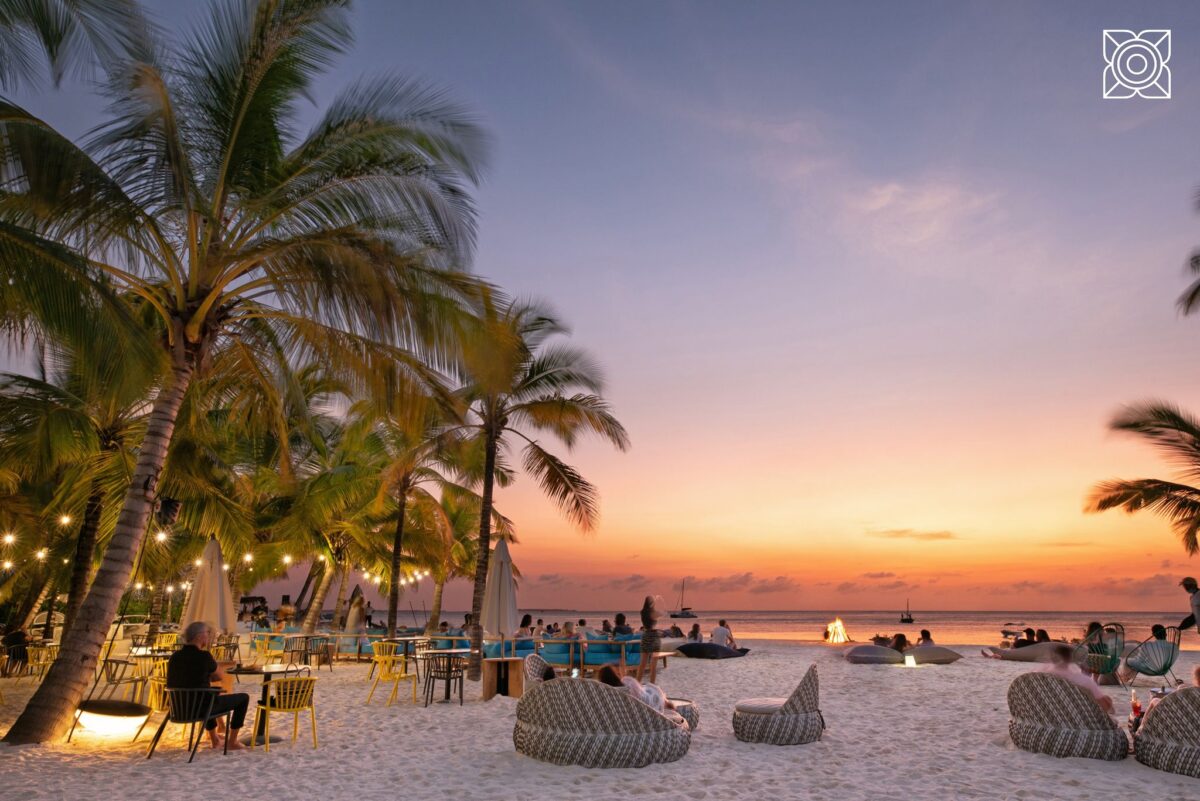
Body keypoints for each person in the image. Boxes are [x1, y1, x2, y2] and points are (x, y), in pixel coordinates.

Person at [167, 621, 249, 751]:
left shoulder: (174, 657)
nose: (208, 636)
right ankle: (232, 742)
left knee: (206, 694)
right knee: (243, 698)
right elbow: (220, 676)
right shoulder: (204, 656)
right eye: (207, 633)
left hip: (178, 710)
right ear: (199, 636)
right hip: (200, 710)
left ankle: (215, 739)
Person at [1041, 642, 1114, 713]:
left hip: (1052, 716)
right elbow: (1105, 706)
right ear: (1070, 658)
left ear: (1051, 658)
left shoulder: (1043, 676)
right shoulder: (1083, 681)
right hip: (1079, 718)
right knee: (1107, 700)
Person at [636, 596, 661, 682]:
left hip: (645, 635)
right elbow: (662, 613)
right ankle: (652, 685)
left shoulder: (642, 612)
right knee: (653, 666)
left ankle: (637, 684)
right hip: (654, 637)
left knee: (642, 665)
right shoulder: (654, 613)